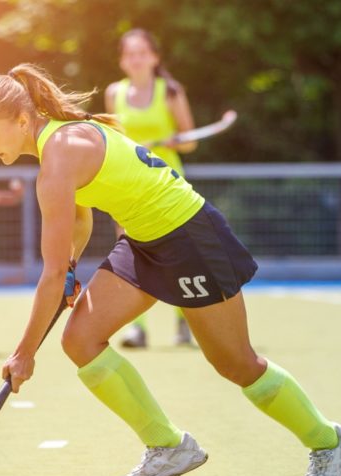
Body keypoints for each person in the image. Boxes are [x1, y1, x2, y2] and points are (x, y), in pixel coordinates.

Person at [0, 62, 341, 476]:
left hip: (189, 235)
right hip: (143, 240)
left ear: (21, 119)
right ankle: (168, 446)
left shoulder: (59, 156)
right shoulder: (56, 144)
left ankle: (331, 441)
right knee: (80, 340)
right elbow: (78, 222)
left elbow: (51, 273)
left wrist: (23, 354)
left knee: (235, 363)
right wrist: (74, 267)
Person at [105, 28, 197, 348]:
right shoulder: (113, 93)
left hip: (169, 185)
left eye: (142, 52)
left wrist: (176, 141)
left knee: (179, 254)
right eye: (130, 53)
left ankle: (186, 323)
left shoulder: (170, 91)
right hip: (129, 184)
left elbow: (191, 141)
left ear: (154, 58)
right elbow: (112, 140)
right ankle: (137, 328)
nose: (136, 59)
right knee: (132, 254)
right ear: (122, 61)